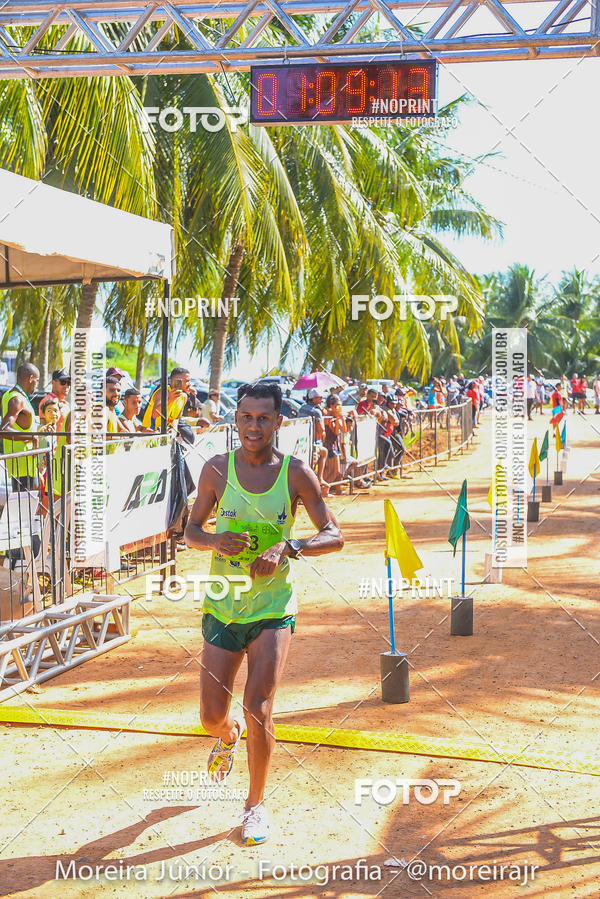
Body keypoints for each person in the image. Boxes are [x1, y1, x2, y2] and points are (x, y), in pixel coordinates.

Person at [184, 382, 343, 845]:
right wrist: (214, 541)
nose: (253, 426)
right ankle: (226, 736)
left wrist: (288, 546)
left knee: (258, 708)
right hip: (224, 604)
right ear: (236, 420)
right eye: (246, 417)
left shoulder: (296, 473)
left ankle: (254, 806)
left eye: (263, 418)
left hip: (273, 608)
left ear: (279, 421)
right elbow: (190, 531)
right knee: (211, 716)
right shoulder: (216, 470)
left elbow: (334, 534)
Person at [0, 362, 40, 490]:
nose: (37, 385)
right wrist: (32, 437)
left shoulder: (8, 394)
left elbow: (21, 425)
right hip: (22, 463)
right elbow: (3, 430)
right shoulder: (17, 399)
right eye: (37, 380)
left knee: (25, 499)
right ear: (30, 378)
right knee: (26, 500)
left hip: (23, 462)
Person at [297, 388, 328, 487]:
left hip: (301, 441)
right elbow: (321, 430)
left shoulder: (302, 408)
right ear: (314, 399)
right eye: (320, 397)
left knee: (323, 452)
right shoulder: (316, 411)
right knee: (312, 465)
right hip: (312, 442)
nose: (321, 399)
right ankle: (319, 479)